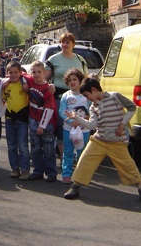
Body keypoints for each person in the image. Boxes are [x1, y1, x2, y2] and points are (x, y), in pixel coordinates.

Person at [63, 77, 141, 203]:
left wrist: (122, 124)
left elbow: (132, 107)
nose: (87, 99)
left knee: (128, 165)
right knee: (84, 160)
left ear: (93, 89)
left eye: (87, 95)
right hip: (99, 140)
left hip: (117, 142)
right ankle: (75, 186)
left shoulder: (115, 97)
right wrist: (77, 118)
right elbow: (92, 125)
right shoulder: (94, 107)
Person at [45, 33, 88, 161]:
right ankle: (65, 157)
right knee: (62, 125)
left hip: (78, 97)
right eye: (63, 42)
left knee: (80, 124)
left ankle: (79, 156)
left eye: (68, 42)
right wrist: (49, 85)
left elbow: (85, 79)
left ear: (73, 44)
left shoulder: (80, 60)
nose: (65, 45)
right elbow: (44, 79)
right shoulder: (53, 59)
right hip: (59, 96)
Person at [58, 68, 91, 184]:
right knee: (68, 151)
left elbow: (91, 112)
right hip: (68, 129)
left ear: (80, 81)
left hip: (84, 130)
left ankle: (81, 175)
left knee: (82, 152)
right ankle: (67, 173)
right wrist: (71, 122)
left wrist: (82, 120)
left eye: (75, 79)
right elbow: (62, 111)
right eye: (69, 80)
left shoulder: (86, 96)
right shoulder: (66, 96)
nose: (72, 82)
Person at [27, 61, 58, 182]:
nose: (36, 74)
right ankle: (38, 170)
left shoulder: (48, 89)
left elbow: (49, 109)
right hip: (33, 120)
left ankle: (51, 172)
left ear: (44, 73)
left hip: (46, 123)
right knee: (35, 148)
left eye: (39, 72)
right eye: (34, 72)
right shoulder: (30, 82)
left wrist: (42, 126)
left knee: (48, 148)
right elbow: (20, 75)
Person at [2, 61, 31, 180]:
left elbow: (31, 77)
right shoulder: (6, 85)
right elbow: (4, 99)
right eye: (10, 72)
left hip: (22, 119)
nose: (13, 75)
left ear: (20, 72)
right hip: (10, 119)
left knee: (23, 146)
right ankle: (15, 168)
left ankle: (25, 169)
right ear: (7, 73)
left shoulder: (24, 84)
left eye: (16, 72)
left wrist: (24, 81)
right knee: (11, 146)